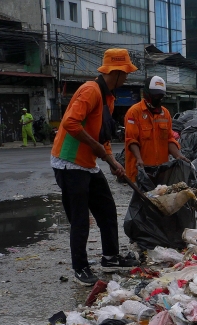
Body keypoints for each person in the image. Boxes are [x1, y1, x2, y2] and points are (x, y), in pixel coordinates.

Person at [51, 48, 138, 286]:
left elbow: (103, 136)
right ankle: (80, 268)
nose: (128, 78)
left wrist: (112, 162)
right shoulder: (90, 90)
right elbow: (70, 123)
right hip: (69, 163)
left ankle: (110, 257)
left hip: (88, 164)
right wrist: (97, 148)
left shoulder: (108, 97)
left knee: (107, 210)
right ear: (117, 72)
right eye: (126, 73)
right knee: (80, 219)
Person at [124, 75, 189, 184]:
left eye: (160, 95)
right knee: (142, 200)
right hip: (141, 171)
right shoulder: (134, 112)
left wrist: (178, 156)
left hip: (161, 171)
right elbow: (131, 140)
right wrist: (139, 159)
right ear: (147, 93)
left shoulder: (165, 113)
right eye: (155, 95)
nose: (158, 98)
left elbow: (169, 139)